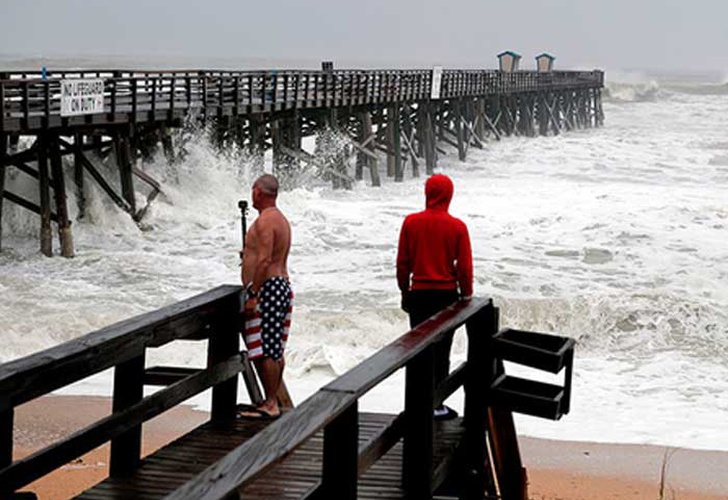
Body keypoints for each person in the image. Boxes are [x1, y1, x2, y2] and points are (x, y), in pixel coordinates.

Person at [396, 173, 473, 420]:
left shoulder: (411, 223)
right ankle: (437, 405)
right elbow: (464, 268)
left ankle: (415, 405)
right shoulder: (457, 227)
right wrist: (466, 295)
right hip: (446, 296)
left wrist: (404, 291)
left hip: (418, 293)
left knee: (417, 351)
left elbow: (402, 263)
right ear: (449, 196)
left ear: (427, 194)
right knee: (442, 352)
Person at [238, 174, 293, 420]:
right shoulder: (280, 220)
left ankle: (270, 403)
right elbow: (262, 255)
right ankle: (271, 400)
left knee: (268, 348)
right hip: (280, 285)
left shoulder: (265, 221)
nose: (252, 194)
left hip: (268, 287)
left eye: (253, 190)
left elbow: (264, 260)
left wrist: (253, 293)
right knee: (275, 346)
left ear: (259, 192)